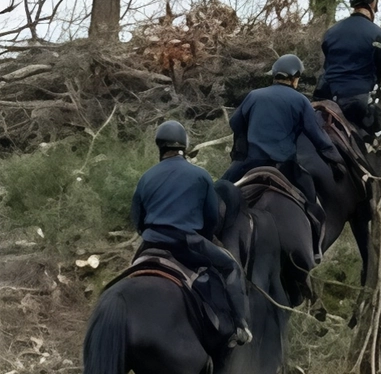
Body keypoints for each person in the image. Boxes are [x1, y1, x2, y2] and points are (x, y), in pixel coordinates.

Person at [133, 121, 250, 347]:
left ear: (160, 147)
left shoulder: (146, 177)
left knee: (133, 267)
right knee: (230, 267)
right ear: (184, 147)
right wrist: (204, 235)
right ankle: (240, 325)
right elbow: (211, 218)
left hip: (151, 241)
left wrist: (148, 232)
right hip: (186, 242)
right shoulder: (200, 176)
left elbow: (137, 218)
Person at [223, 55, 342, 241]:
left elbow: (235, 122)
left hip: (249, 163)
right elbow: (317, 135)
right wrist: (335, 158)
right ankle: (316, 244)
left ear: (275, 76)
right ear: (295, 78)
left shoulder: (254, 95)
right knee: (312, 201)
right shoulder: (301, 101)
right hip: (285, 166)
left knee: (219, 190)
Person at [316, 0, 381, 135]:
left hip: (327, 100)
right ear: (373, 2)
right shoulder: (378, 35)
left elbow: (327, 64)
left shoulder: (331, 32)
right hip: (359, 104)